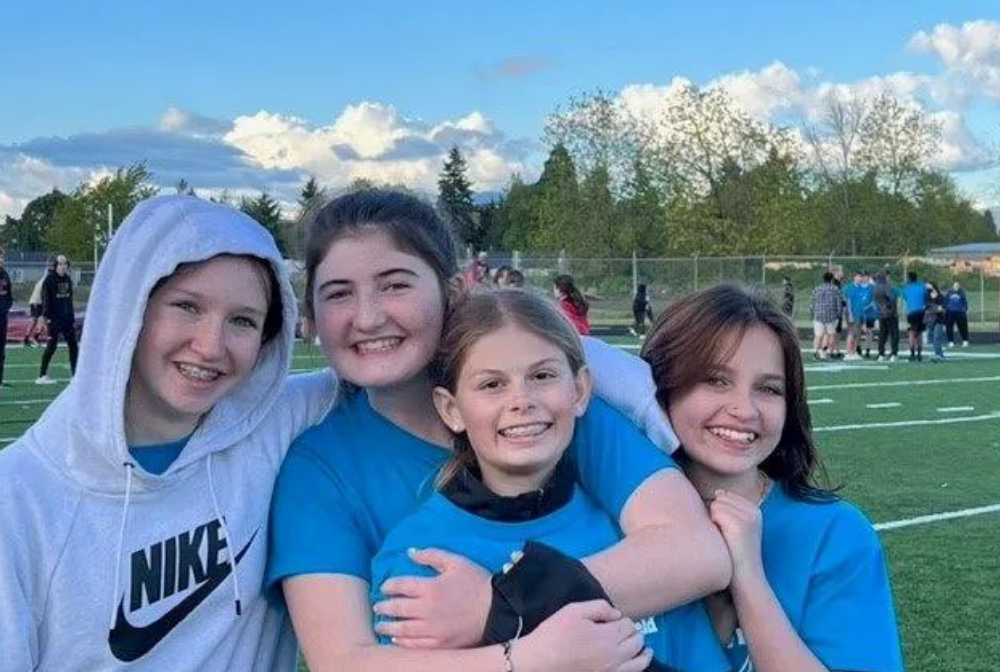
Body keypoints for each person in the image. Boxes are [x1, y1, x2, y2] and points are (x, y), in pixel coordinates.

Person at [267, 189, 730, 672]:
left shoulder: (546, 415)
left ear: (451, 294)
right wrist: (522, 656)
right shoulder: (320, 469)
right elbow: (344, 662)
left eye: (395, 285)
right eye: (338, 293)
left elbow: (698, 553)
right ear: (312, 316)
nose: (368, 316)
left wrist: (500, 603)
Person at [0, 195, 338, 671]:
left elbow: (399, 368)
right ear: (129, 307)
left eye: (242, 320)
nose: (210, 346)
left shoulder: (277, 426)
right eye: (186, 306)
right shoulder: (18, 501)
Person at [371, 288, 729, 672]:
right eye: (492, 384)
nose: (521, 400)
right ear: (451, 409)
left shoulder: (637, 537)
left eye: (542, 375)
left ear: (579, 391)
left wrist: (504, 606)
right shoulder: (423, 557)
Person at [641, 284, 903, 672]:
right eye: (716, 380)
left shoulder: (836, 533)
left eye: (768, 388)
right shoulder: (610, 517)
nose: (744, 410)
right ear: (662, 385)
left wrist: (747, 576)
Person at [36, 254, 78, 383]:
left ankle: (75, 375)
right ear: (55, 266)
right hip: (53, 319)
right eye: (60, 264)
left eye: (65, 263)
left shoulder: (68, 279)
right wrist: (44, 316)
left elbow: (69, 300)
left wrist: (72, 317)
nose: (63, 266)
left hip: (67, 319)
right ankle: (42, 375)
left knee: (73, 345)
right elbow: (45, 299)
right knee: (52, 346)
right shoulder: (49, 280)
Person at [809, 272, 840, 360]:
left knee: (818, 335)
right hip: (831, 316)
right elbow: (838, 303)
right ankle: (829, 352)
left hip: (818, 315)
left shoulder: (817, 289)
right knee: (831, 334)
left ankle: (815, 352)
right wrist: (838, 314)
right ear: (831, 279)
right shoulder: (835, 289)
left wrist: (812, 313)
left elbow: (812, 303)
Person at [24, 258, 54, 347]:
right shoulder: (48, 279)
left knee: (35, 320)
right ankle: (34, 338)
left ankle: (26, 339)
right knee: (41, 320)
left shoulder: (46, 277)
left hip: (35, 301)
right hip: (38, 302)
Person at [872, 272, 900, 362]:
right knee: (894, 334)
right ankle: (894, 353)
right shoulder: (887, 287)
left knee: (882, 334)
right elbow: (891, 298)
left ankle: (881, 353)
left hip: (881, 314)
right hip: (890, 313)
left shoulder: (875, 288)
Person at [901, 271, 926, 362]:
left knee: (911, 333)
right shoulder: (922, 287)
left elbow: (905, 297)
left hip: (911, 312)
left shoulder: (907, 288)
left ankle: (912, 354)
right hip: (921, 312)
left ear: (909, 279)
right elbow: (925, 296)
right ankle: (919, 354)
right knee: (919, 333)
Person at [925, 281, 946, 362]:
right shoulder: (927, 296)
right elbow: (926, 307)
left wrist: (933, 308)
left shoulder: (940, 296)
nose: (926, 287)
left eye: (928, 285)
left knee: (936, 338)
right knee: (933, 339)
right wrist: (934, 308)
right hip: (930, 320)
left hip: (939, 320)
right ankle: (940, 355)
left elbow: (942, 308)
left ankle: (938, 355)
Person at [944, 280, 969, 347]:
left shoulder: (962, 293)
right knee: (949, 327)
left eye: (957, 285)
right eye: (955, 285)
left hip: (960, 313)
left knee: (962, 327)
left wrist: (964, 310)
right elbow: (945, 302)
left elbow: (965, 302)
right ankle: (950, 341)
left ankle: (965, 340)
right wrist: (946, 309)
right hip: (950, 313)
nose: (956, 286)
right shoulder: (949, 293)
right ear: (952, 286)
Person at [0, 248, 12, 387]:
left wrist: (5, 308)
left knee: (1, 350)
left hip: (3, 317)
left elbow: (9, 294)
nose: (1, 260)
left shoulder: (5, 275)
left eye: (2, 257)